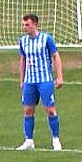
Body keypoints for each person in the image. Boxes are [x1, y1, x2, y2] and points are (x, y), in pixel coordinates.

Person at [17, 13, 64, 151]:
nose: (25, 27)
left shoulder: (46, 39)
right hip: (29, 81)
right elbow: (22, 60)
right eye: (24, 25)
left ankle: (56, 139)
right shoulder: (23, 41)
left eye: (27, 25)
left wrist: (59, 76)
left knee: (50, 109)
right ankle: (29, 140)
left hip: (44, 80)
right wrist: (22, 80)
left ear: (35, 25)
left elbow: (56, 56)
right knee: (28, 110)